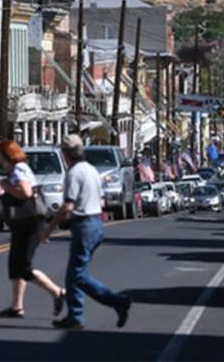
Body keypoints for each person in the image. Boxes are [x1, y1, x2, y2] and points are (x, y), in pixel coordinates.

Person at [43, 134, 131, 330]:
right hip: (96, 222)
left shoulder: (74, 173)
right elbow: (101, 200)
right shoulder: (91, 170)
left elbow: (67, 205)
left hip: (84, 225)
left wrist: (49, 229)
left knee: (78, 276)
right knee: (73, 274)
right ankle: (75, 316)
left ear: (66, 154)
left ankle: (117, 301)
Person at [0, 139, 66, 318]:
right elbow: (18, 195)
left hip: (30, 222)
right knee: (15, 265)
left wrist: (6, 186)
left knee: (23, 266)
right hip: (21, 222)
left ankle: (57, 292)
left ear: (8, 155)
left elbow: (26, 192)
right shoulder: (15, 170)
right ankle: (17, 306)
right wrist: (3, 194)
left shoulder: (19, 169)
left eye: (0, 155)